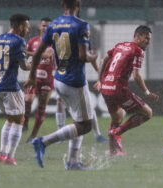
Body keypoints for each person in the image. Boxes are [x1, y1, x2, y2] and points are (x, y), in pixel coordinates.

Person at [24, 0, 98, 170]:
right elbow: (82, 56)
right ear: (78, 5)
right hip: (75, 81)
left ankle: (72, 162)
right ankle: (43, 141)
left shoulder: (54, 24)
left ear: (62, 5)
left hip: (59, 79)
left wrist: (31, 77)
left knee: (78, 122)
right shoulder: (81, 25)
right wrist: (93, 57)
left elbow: (37, 54)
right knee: (85, 125)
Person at [94, 25, 159, 156]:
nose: (148, 42)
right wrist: (147, 93)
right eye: (146, 38)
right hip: (119, 90)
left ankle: (113, 151)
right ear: (138, 36)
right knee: (147, 113)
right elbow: (136, 75)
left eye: (150, 39)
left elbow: (104, 59)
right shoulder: (138, 51)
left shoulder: (120, 45)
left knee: (118, 117)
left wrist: (100, 80)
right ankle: (117, 132)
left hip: (106, 88)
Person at [55, 8, 108, 143]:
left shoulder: (57, 29)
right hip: (73, 79)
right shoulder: (79, 32)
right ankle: (60, 138)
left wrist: (98, 73)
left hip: (60, 77)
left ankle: (95, 135)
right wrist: (94, 62)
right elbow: (86, 56)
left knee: (79, 109)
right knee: (81, 117)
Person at [0, 13, 31, 165]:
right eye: (27, 27)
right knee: (19, 120)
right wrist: (35, 64)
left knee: (10, 120)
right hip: (10, 86)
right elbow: (24, 66)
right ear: (20, 27)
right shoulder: (19, 40)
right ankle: (10, 157)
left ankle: (1, 154)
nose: (27, 30)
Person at [23, 17, 56, 143]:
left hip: (48, 79)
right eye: (44, 25)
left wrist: (30, 53)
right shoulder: (32, 41)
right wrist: (26, 60)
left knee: (42, 107)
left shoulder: (53, 43)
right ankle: (25, 124)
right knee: (27, 100)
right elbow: (25, 57)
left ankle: (33, 135)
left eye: (48, 26)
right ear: (40, 27)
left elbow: (47, 55)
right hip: (33, 77)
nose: (46, 28)